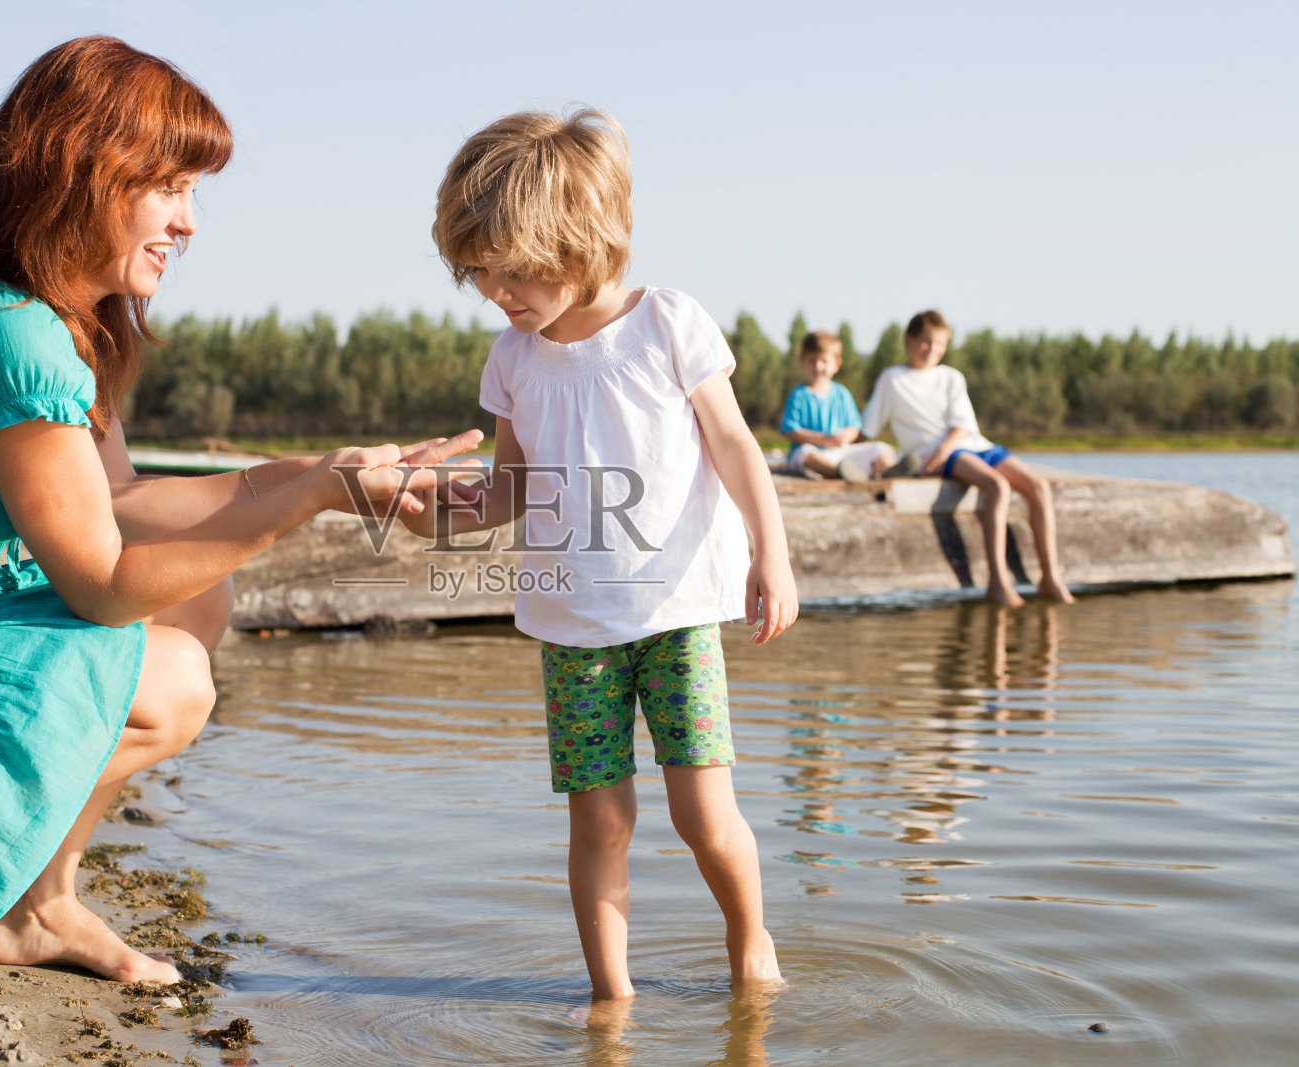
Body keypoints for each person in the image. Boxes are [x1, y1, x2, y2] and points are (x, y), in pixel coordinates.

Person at [0, 36, 479, 995]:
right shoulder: (7, 331)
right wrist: (306, 507)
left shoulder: (51, 318)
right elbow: (104, 583)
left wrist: (333, 471)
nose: (190, 223)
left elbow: (119, 505)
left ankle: (38, 901)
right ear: (87, 174)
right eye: (173, 189)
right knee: (173, 679)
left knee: (199, 599)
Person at [407, 108, 798, 1002]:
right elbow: (507, 489)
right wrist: (423, 513)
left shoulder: (667, 323)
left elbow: (736, 446)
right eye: (479, 271)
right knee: (602, 820)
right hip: (573, 627)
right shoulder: (512, 359)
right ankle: (611, 1000)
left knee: (704, 814)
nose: (496, 289)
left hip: (677, 615)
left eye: (514, 268)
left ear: (579, 239)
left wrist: (769, 556)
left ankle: (749, 943)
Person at [861, 310, 1074, 605]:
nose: (932, 349)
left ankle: (1050, 577)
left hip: (971, 444)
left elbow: (962, 427)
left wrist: (943, 452)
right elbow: (867, 428)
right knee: (996, 486)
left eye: (939, 344)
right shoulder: (892, 379)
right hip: (933, 453)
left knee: (1038, 487)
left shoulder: (951, 377)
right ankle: (998, 582)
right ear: (909, 341)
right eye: (925, 342)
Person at [779, 330, 896, 481]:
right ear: (802, 361)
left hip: (841, 452)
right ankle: (836, 473)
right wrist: (823, 439)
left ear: (836, 364)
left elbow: (854, 427)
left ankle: (890, 470)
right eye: (812, 360)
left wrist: (847, 434)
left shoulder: (842, 393)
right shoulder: (798, 395)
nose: (818, 366)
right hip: (815, 453)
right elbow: (790, 431)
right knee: (803, 453)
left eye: (824, 361)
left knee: (881, 448)